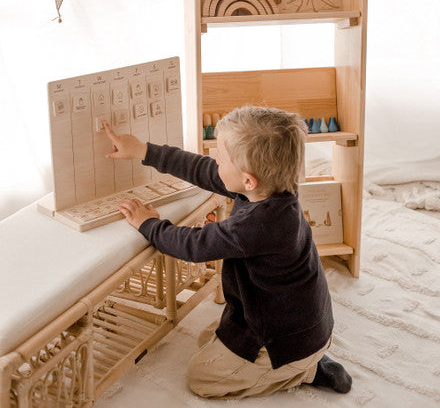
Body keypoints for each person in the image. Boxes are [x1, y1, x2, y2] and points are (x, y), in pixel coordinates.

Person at [103, 106, 352, 399]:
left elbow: (193, 245)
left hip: (279, 337)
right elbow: (201, 169)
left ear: (248, 179)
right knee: (209, 338)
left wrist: (149, 224)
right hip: (303, 321)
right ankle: (302, 358)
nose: (214, 163)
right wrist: (144, 150)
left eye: (220, 159)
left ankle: (304, 369)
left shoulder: (257, 225)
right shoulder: (272, 188)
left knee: (202, 378)